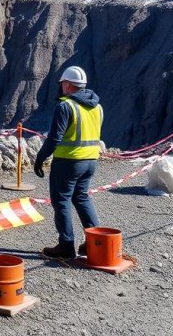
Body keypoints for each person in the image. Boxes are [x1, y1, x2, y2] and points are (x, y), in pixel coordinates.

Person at [33, 66, 104, 259]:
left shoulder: (65, 106)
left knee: (61, 200)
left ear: (67, 84)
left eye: (63, 84)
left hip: (68, 161)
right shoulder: (97, 107)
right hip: (90, 161)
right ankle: (96, 243)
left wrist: (40, 158)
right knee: (81, 197)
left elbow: (54, 138)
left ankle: (65, 246)